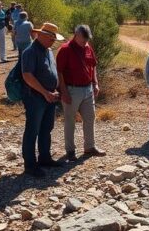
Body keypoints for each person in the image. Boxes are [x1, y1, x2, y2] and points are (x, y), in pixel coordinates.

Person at [21, 22, 66, 177]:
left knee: (46, 129)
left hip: (49, 97)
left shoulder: (48, 51)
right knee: (32, 131)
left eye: (54, 38)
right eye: (51, 38)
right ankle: (30, 165)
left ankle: (44, 158)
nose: (53, 41)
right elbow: (27, 75)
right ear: (41, 35)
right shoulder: (30, 52)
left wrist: (52, 91)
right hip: (35, 98)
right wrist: (45, 92)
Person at [57, 24, 105, 161]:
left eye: (87, 40)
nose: (85, 42)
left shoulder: (88, 47)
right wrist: (64, 91)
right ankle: (70, 150)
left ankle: (89, 147)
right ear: (76, 35)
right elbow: (59, 72)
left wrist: (95, 83)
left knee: (90, 118)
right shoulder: (65, 49)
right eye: (84, 39)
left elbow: (93, 66)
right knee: (70, 121)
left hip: (88, 89)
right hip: (72, 90)